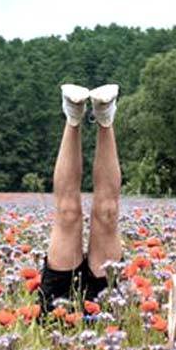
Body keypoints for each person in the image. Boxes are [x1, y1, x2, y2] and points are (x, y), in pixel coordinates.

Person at [39, 84, 123, 310]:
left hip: (59, 316)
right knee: (69, 213)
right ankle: (74, 116)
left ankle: (104, 117)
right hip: (93, 319)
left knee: (107, 213)